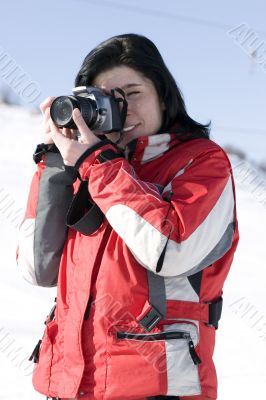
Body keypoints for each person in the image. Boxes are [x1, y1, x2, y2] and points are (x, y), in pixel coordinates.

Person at [17, 33, 239, 400]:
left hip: (157, 388)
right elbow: (36, 267)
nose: (122, 110)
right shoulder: (85, 171)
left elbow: (171, 248)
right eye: (107, 99)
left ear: (164, 96)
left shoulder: (202, 162)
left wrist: (100, 164)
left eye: (132, 94)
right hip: (69, 387)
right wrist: (55, 163)